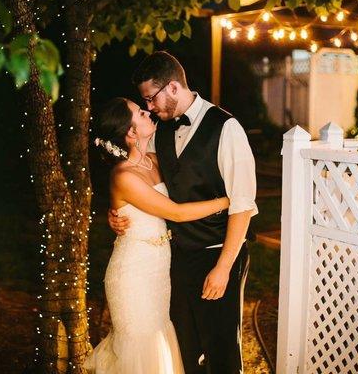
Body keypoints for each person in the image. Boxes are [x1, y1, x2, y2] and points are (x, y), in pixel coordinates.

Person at [109, 51, 258, 374]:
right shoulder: (158, 129)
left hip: (218, 254)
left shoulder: (227, 128)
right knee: (186, 350)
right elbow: (137, 175)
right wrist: (118, 211)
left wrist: (223, 268)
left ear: (173, 88)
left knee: (221, 351)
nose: (149, 107)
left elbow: (244, 206)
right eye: (144, 102)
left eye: (151, 98)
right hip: (175, 258)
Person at [83, 97, 230, 374]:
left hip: (159, 270)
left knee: (158, 341)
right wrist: (228, 201)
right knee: (140, 348)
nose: (148, 111)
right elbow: (175, 212)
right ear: (130, 131)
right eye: (140, 112)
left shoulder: (154, 160)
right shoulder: (123, 176)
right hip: (132, 274)